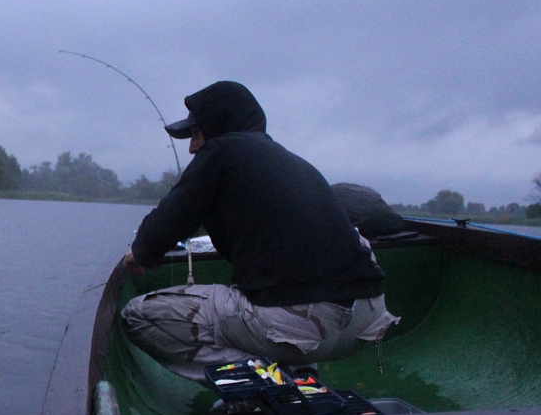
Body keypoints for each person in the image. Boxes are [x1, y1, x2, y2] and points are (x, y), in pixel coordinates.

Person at [121, 81, 398, 382]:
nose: (192, 147)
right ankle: (300, 371)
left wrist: (139, 254)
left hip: (300, 327)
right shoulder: (292, 161)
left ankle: (270, 384)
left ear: (217, 126)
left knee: (137, 315)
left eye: (196, 133)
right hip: (366, 320)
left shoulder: (221, 149)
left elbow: (166, 224)